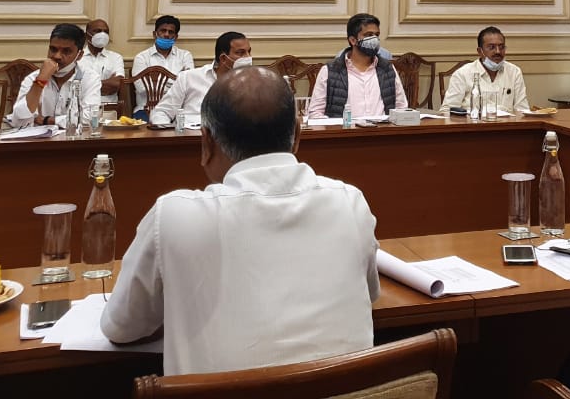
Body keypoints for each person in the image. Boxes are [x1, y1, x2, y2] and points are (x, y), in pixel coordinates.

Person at [101, 65, 379, 375]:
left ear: (206, 142)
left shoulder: (173, 215)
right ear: (298, 135)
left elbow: (121, 327)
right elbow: (368, 295)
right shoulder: (350, 202)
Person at [308, 14, 408, 119]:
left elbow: (401, 108)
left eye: (377, 35)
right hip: (344, 129)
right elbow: (315, 113)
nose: (374, 39)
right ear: (353, 40)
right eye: (369, 35)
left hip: (382, 128)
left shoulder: (388, 69)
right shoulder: (330, 71)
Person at [9, 24, 101, 129]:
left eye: (66, 51)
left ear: (79, 55)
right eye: (53, 49)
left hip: (73, 138)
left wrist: (47, 120)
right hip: (40, 138)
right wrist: (40, 81)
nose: (57, 56)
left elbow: (91, 118)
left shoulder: (90, 78)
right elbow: (19, 121)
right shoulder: (33, 78)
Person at [150, 32, 250, 127]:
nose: (248, 57)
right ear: (223, 58)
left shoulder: (252, 82)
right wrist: (170, 134)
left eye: (249, 52)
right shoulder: (188, 78)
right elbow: (161, 112)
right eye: (240, 53)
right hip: (191, 135)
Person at [440, 26, 529, 115]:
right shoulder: (462, 74)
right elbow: (446, 111)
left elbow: (522, 110)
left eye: (501, 47)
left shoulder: (514, 72)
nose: (498, 51)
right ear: (480, 51)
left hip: (508, 123)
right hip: (473, 123)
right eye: (491, 47)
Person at [131, 15, 194, 120]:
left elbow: (188, 85)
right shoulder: (142, 58)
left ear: (176, 37)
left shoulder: (185, 56)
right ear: (154, 34)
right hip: (147, 109)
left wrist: (156, 82)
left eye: (171, 32)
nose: (166, 35)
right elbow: (142, 89)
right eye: (163, 31)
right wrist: (176, 82)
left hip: (177, 110)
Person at [81, 18, 126, 111]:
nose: (102, 34)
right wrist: (107, 83)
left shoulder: (116, 57)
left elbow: (117, 84)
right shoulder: (78, 57)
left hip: (109, 109)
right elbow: (74, 87)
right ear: (86, 35)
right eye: (97, 31)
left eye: (106, 32)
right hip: (82, 109)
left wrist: (87, 86)